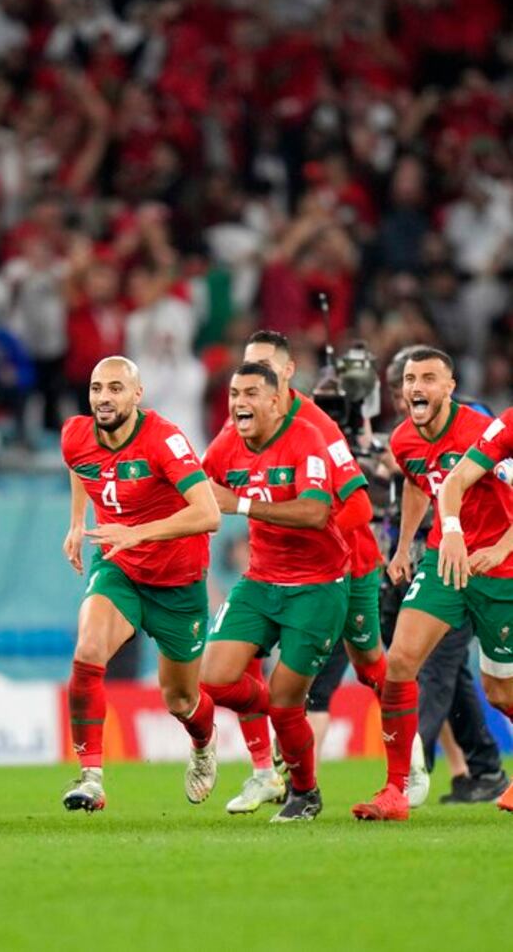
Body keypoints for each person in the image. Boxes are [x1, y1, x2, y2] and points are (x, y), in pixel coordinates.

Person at [223, 331, 391, 814]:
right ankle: (264, 768)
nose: (249, 385)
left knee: (371, 666)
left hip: (343, 567)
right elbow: (206, 480)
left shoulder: (317, 427)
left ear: (286, 374)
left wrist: (304, 529)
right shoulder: (240, 425)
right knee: (232, 672)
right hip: (267, 576)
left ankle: (407, 768)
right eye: (243, 375)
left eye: (261, 372)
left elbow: (357, 507)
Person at [353, 349, 513, 820]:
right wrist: (404, 547)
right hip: (446, 559)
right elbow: (421, 482)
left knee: (500, 692)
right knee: (400, 660)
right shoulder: (403, 440)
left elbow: (461, 483)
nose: (417, 387)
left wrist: (503, 547)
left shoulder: (485, 430)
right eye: (409, 379)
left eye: (428, 378)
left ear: (449, 387)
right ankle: (396, 790)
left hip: (497, 569)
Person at [59, 356, 221, 812]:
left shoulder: (164, 440)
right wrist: (77, 521)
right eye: (96, 389)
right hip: (120, 568)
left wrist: (138, 531)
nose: (103, 398)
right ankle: (91, 778)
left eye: (114, 388)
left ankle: (205, 746)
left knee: (181, 699)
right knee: (88, 650)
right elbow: (80, 465)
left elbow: (208, 514)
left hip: (178, 581)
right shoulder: (75, 433)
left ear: (137, 395)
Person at [201, 362, 350, 822]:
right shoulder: (227, 445)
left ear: (273, 400)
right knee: (213, 679)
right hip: (261, 582)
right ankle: (287, 722)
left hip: (317, 588)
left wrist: (241, 503)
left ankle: (305, 793)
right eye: (232, 393)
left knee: (288, 699)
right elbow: (195, 491)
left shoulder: (304, 437)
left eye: (249, 393)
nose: (239, 402)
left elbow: (315, 513)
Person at [437, 404, 513, 814]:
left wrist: (501, 546)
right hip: (501, 570)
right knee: (498, 691)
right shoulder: (506, 424)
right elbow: (456, 479)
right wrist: (452, 531)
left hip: (506, 560)